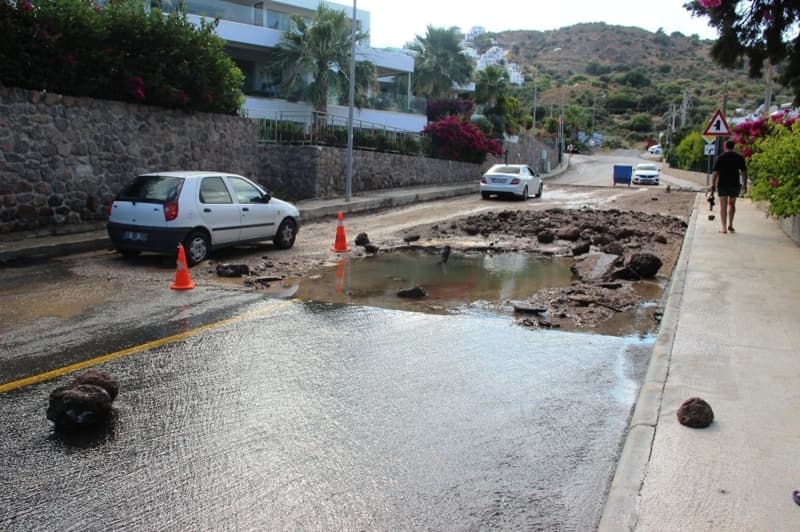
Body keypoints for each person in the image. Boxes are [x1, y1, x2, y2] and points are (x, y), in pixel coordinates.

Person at [710, 140, 748, 233]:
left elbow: (715, 173)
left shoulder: (721, 157)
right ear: (734, 147)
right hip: (734, 184)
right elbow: (744, 172)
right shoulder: (739, 157)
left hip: (722, 184)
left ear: (725, 147)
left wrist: (713, 184)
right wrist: (744, 184)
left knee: (723, 206)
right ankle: (730, 225)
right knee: (732, 204)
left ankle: (724, 228)